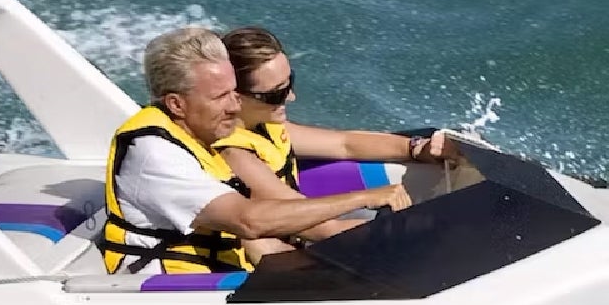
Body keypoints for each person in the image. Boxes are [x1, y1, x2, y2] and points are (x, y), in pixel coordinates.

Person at [100, 27, 410, 276]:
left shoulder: (202, 134)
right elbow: (248, 222)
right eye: (221, 97)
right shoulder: (156, 156)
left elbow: (255, 240)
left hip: (223, 274)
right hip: (170, 297)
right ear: (176, 104)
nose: (235, 106)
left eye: (235, 93)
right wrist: (364, 199)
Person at [213, 26, 459, 252]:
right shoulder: (236, 155)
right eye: (276, 94)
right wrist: (435, 226)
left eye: (289, 83)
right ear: (236, 97)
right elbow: (323, 230)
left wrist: (416, 148)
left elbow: (345, 144)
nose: (291, 97)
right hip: (282, 251)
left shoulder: (263, 126)